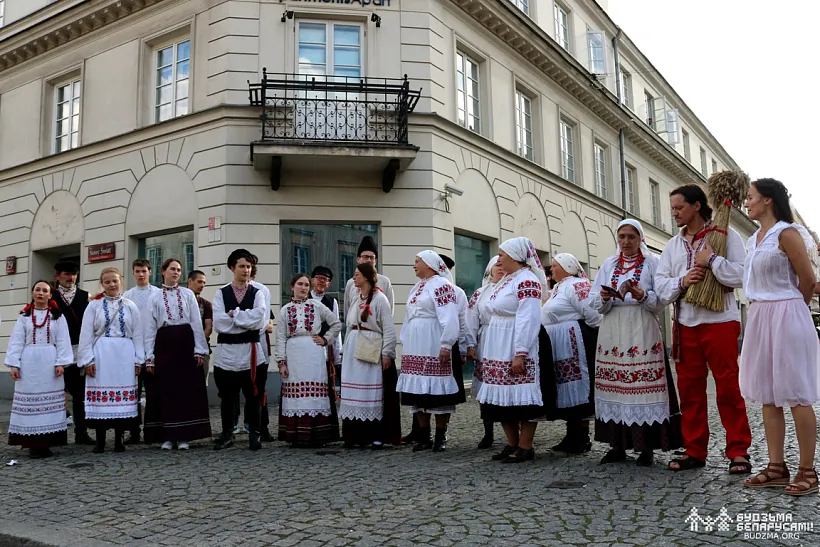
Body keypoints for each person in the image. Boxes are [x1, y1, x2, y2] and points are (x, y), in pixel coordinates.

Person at [655, 184, 752, 473]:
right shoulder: (673, 245)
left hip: (720, 321)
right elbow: (660, 286)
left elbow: (742, 274)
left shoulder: (725, 235)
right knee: (690, 391)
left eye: (679, 207)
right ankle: (694, 450)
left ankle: (738, 451)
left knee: (728, 388)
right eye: (672, 208)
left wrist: (712, 261)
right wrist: (684, 281)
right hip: (686, 323)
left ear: (696, 206)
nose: (674, 213)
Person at [740, 179, 819, 495]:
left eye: (750, 197)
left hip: (787, 313)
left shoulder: (787, 233)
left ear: (768, 200)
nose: (746, 203)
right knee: (768, 393)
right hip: (760, 315)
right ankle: (776, 466)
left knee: (797, 393)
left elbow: (808, 279)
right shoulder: (754, 239)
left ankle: (808, 470)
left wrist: (792, 310)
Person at [590, 220, 682, 467]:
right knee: (616, 386)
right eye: (622, 236)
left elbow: (661, 301)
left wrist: (643, 296)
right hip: (613, 329)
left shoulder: (652, 263)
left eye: (631, 236)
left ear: (640, 238)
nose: (626, 241)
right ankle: (617, 446)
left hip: (641, 327)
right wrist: (604, 297)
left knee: (642, 387)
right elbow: (593, 301)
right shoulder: (609, 264)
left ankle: (646, 448)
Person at [476, 238, 547, 463]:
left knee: (523, 397)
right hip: (498, 342)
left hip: (515, 341)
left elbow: (529, 318)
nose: (498, 260)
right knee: (501, 398)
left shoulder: (527, 280)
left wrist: (520, 352)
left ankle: (525, 446)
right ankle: (512, 443)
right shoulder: (507, 280)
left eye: (501, 255)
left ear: (515, 256)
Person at [142, 259, 211, 450]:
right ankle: (168, 436)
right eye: (172, 269)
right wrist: (149, 357)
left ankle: (184, 436)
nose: (176, 273)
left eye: (179, 270)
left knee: (185, 391)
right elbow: (150, 328)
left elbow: (196, 322)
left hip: (185, 345)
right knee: (167, 391)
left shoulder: (188, 294)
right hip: (164, 345)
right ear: (163, 271)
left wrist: (199, 349)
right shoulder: (154, 297)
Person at [396, 251, 461, 452]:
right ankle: (424, 436)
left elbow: (449, 316)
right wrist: (405, 339)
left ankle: (440, 436)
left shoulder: (442, 285)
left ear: (429, 264)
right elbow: (408, 316)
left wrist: (446, 344)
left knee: (437, 390)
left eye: (417, 261)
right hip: (415, 342)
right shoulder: (417, 287)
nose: (414, 265)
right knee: (417, 390)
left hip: (433, 338)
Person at [540, 253, 602, 454]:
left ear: (568, 266)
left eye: (555, 265)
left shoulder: (577, 284)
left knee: (577, 387)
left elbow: (593, 314)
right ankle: (571, 434)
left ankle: (581, 437)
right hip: (560, 342)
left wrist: (585, 335)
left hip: (574, 340)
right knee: (565, 388)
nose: (551, 269)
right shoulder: (558, 287)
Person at [78, 268, 144, 454]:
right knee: (102, 399)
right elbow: (86, 334)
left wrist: (138, 360)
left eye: (115, 281)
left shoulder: (130, 305)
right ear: (102, 284)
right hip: (101, 355)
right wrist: (87, 360)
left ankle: (118, 440)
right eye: (107, 282)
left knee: (122, 400)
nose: (112, 284)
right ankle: (100, 440)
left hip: (124, 356)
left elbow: (138, 334)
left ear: (121, 281)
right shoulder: (94, 306)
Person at [6, 281, 73, 458]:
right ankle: (32, 444)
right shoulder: (24, 316)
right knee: (30, 402)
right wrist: (14, 364)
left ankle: (47, 442)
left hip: (50, 363)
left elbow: (63, 340)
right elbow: (16, 341)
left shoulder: (57, 316)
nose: (41, 293)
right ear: (32, 293)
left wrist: (61, 363)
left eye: (45, 291)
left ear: (50, 295)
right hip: (28, 364)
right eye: (38, 290)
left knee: (49, 403)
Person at [276, 273, 342, 446]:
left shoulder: (317, 305)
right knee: (296, 395)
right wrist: (281, 362)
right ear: (292, 287)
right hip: (294, 355)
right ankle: (296, 436)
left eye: (306, 285)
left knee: (314, 394)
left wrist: (325, 339)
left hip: (314, 355)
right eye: (300, 284)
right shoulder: (285, 310)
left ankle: (317, 435)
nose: (304, 287)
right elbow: (280, 337)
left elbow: (336, 324)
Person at [212, 249, 268, 451]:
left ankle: (255, 433)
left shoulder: (257, 293)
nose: (246, 270)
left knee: (254, 396)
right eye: (242, 266)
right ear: (232, 268)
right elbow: (219, 323)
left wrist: (234, 315)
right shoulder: (221, 293)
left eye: (249, 266)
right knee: (228, 397)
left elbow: (259, 319)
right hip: (226, 353)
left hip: (251, 352)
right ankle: (227, 433)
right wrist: (245, 319)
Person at [339, 263, 399, 448]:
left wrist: (387, 353)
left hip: (370, 348)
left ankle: (375, 435)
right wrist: (344, 350)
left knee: (370, 392)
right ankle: (354, 436)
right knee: (353, 391)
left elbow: (389, 329)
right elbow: (350, 324)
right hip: (353, 349)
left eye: (357, 274)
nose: (354, 278)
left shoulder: (380, 299)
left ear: (365, 277)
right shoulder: (357, 298)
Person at [51, 260, 94, 445]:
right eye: (67, 274)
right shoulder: (49, 295)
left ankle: (81, 432)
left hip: (78, 350)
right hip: (55, 351)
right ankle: (54, 434)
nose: (71, 278)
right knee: (54, 393)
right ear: (58, 276)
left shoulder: (86, 296)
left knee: (79, 394)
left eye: (74, 274)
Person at [466, 256, 505, 449]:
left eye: (503, 265)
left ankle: (516, 429)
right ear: (489, 269)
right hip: (486, 339)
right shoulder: (480, 293)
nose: (500, 268)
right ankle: (488, 432)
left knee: (507, 384)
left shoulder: (511, 289)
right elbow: (471, 319)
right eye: (497, 265)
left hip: (506, 339)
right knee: (485, 386)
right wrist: (470, 344)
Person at [122, 259, 162, 445]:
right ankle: (134, 431)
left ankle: (154, 430)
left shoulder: (158, 294)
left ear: (150, 272)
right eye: (137, 271)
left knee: (154, 393)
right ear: (133, 273)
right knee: (133, 394)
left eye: (144, 271)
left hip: (154, 348)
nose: (141, 274)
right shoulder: (127, 296)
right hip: (132, 350)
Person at [249, 260, 275, 442]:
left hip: (258, 344)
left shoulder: (262, 290)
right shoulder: (228, 290)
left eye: (248, 266)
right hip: (237, 344)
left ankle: (261, 427)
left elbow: (266, 321)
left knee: (259, 388)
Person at [344, 236, 395, 317]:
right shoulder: (351, 283)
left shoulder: (384, 282)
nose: (369, 260)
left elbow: (389, 311)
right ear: (358, 259)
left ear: (375, 261)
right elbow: (347, 310)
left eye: (372, 257)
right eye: (365, 257)